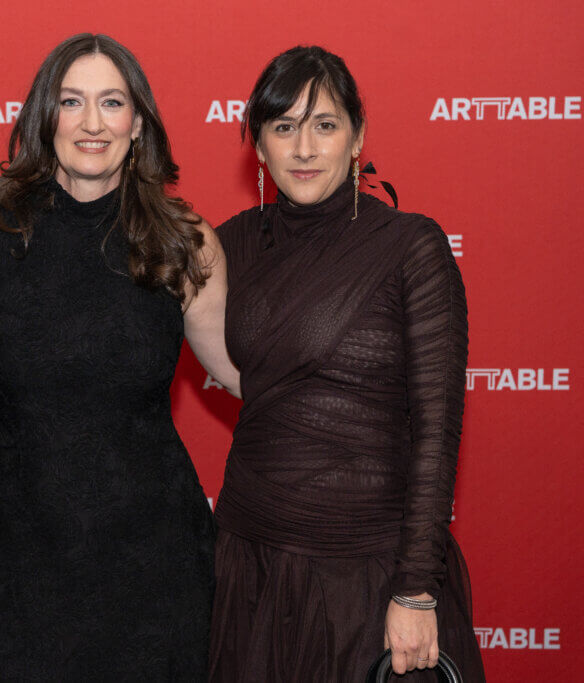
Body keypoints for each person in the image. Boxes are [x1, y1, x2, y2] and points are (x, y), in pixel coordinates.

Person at [0, 33, 240, 681]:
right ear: (41, 118)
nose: (91, 123)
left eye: (112, 102)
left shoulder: (184, 241)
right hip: (18, 562)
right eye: (71, 101)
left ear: (137, 122)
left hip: (153, 564)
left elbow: (240, 370)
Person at [208, 46, 485, 681]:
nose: (303, 148)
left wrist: (416, 590)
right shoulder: (229, 246)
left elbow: (437, 433)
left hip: (365, 578)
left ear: (357, 136)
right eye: (283, 127)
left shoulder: (410, 247)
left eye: (324, 125)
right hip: (250, 568)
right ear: (258, 145)